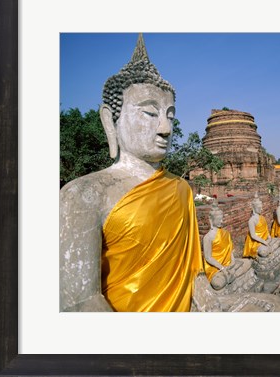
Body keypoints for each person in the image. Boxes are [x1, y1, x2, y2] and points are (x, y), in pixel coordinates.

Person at [59, 34, 203, 312]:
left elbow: (194, 272)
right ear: (109, 120)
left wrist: (209, 295)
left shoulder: (181, 189)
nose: (166, 129)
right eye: (150, 113)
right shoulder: (84, 194)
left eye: (170, 115)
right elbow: (80, 302)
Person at [202, 202, 251, 290]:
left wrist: (232, 263)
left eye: (222, 219)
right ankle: (230, 274)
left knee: (248, 262)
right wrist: (222, 268)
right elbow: (208, 258)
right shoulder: (208, 237)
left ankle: (231, 273)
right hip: (215, 268)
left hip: (228, 264)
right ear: (211, 220)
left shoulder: (226, 233)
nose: (222, 221)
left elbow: (230, 251)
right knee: (218, 283)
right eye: (219, 219)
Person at [243, 193, 280, 258]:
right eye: (259, 208)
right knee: (264, 252)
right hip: (256, 242)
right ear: (254, 208)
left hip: (265, 239)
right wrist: (264, 242)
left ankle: (270, 248)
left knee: (278, 240)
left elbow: (266, 229)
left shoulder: (262, 217)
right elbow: (253, 236)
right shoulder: (251, 220)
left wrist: (269, 237)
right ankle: (268, 250)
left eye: (261, 207)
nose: (261, 209)